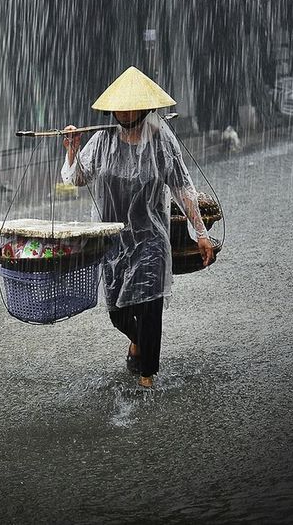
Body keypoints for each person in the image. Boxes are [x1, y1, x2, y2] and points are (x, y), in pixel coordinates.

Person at [61, 66, 214, 389]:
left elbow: (183, 187)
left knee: (149, 306)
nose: (123, 112)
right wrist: (73, 149)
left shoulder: (161, 140)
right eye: (118, 106)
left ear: (144, 108)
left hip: (150, 238)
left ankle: (147, 374)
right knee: (118, 310)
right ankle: (138, 343)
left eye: (130, 106)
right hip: (112, 239)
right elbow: (77, 178)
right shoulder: (103, 139)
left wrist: (200, 233)